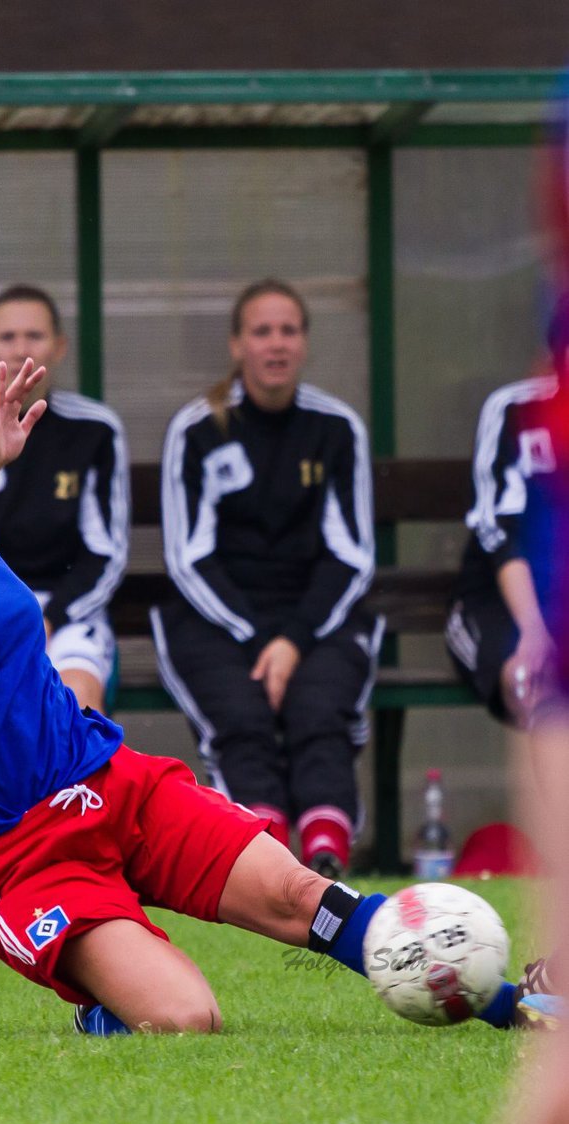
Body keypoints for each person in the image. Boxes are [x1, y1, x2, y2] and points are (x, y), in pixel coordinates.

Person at [0, 359, 525, 1036]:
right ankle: (109, 1000)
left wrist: (501, 1005)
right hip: (26, 852)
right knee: (188, 1019)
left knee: (304, 897)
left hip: (109, 784)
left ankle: (505, 999)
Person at [152, 279, 381, 879]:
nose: (275, 345)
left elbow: (351, 555)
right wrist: (261, 642)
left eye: (288, 331)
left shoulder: (336, 429)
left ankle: (326, 855)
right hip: (218, 619)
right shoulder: (198, 429)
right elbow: (189, 557)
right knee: (243, 717)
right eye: (261, 332)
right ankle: (265, 860)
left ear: (304, 343)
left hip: (316, 615)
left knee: (320, 708)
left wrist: (293, 641)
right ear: (237, 345)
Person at [0, 284, 129, 714]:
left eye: (35, 336)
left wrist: (49, 617)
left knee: (75, 705)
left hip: (64, 615)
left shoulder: (95, 429)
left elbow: (105, 553)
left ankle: (81, 783)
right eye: (8, 337)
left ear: (60, 347)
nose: (21, 349)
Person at [445, 300, 569, 728]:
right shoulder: (514, 409)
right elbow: (498, 530)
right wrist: (533, 631)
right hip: (503, 599)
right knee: (533, 684)